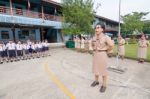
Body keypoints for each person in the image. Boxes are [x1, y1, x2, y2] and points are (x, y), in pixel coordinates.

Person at [91, 23, 114, 93]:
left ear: (102, 29)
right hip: (96, 54)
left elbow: (111, 45)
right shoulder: (94, 37)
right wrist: (93, 48)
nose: (96, 29)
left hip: (102, 54)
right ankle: (96, 81)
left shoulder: (105, 37)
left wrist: (106, 49)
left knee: (103, 70)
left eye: (98, 27)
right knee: (96, 68)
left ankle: (104, 85)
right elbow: (92, 44)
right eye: (95, 28)